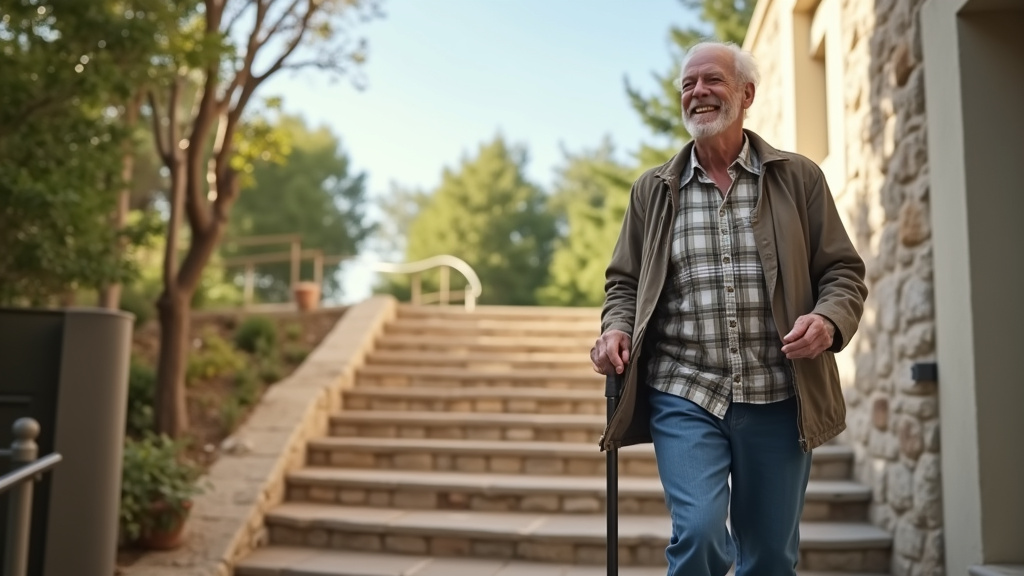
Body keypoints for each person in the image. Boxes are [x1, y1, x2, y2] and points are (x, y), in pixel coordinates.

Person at [590, 41, 868, 576]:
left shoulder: (797, 178)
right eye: (688, 85)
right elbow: (623, 283)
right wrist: (616, 329)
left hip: (779, 393)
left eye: (712, 80)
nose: (698, 92)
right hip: (685, 390)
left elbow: (842, 271)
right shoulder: (653, 190)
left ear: (746, 94)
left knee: (768, 557)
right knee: (698, 535)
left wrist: (829, 320)